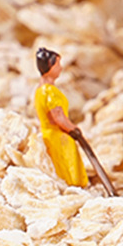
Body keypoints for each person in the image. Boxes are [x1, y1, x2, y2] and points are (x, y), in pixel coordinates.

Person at [33, 47, 88, 187]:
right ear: (49, 67)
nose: (60, 68)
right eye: (57, 64)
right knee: (66, 168)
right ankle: (72, 188)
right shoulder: (49, 91)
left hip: (48, 134)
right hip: (58, 137)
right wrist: (72, 129)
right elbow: (58, 117)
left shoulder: (40, 90)